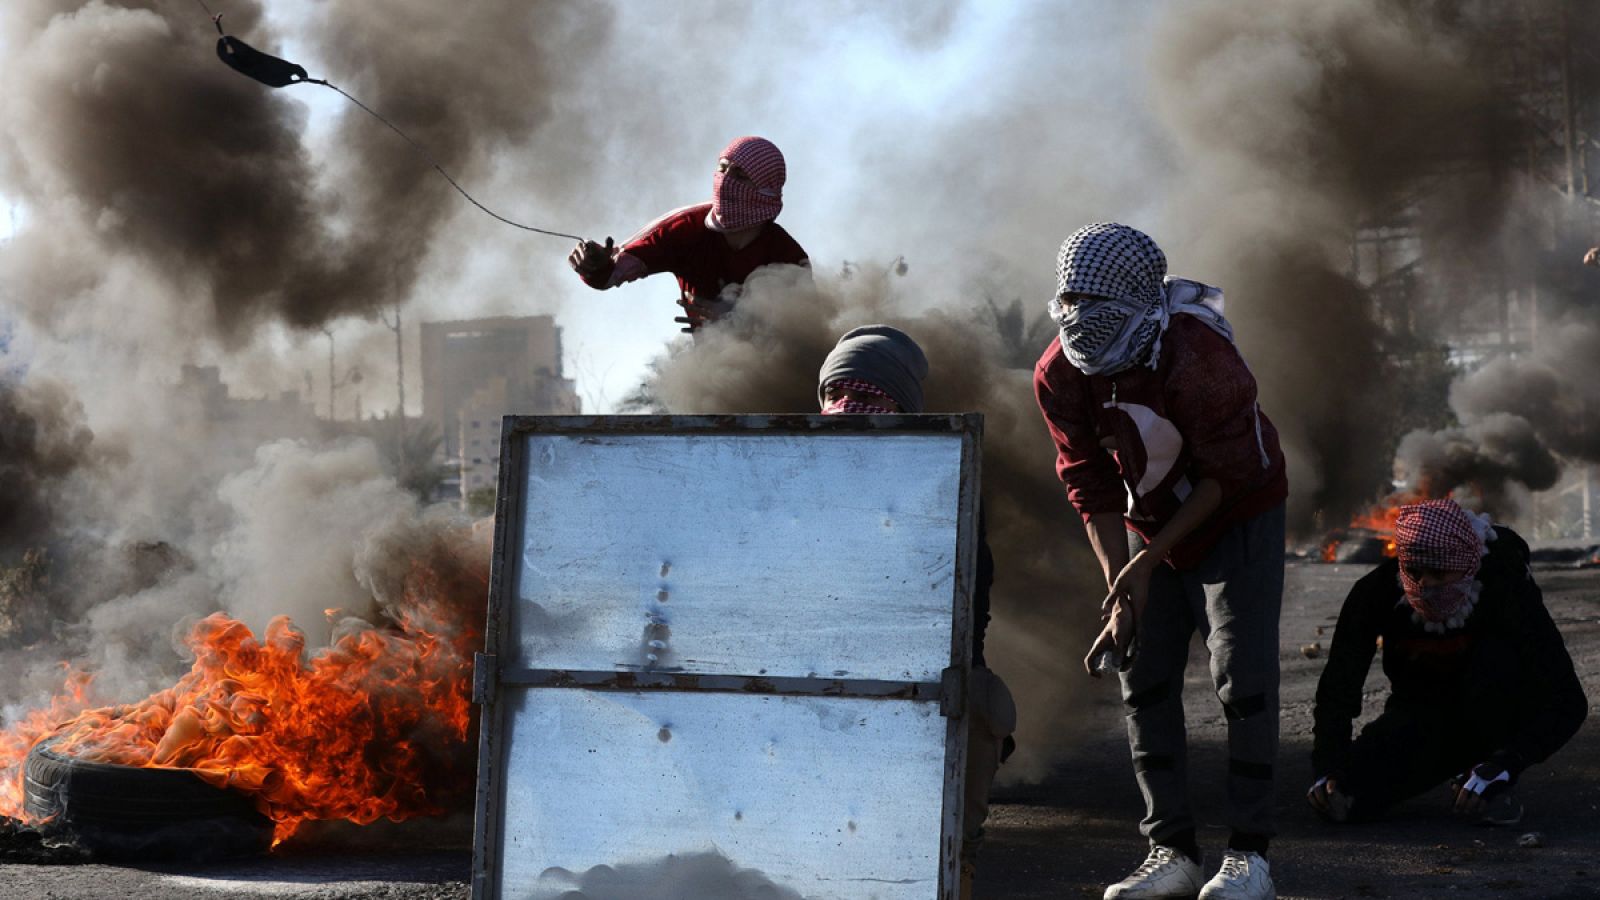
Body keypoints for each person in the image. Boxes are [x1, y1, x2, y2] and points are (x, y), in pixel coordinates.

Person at [1033, 223, 1287, 900]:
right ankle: (1169, 850)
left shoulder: (1196, 356)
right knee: (1141, 671)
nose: (1083, 316)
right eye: (1071, 299)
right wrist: (1121, 589)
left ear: (1141, 299)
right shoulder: (1060, 371)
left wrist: (1146, 567)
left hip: (1236, 512)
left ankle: (1250, 855)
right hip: (1150, 523)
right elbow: (1087, 479)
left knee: (1242, 676)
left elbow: (1223, 477)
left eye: (1099, 300)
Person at [817, 325, 1016, 900]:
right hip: (818, 683)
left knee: (982, 704)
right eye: (842, 399)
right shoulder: (793, 475)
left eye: (869, 402)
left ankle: (959, 858)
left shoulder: (944, 484)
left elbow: (964, 622)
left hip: (920, 680)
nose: (853, 417)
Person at [1308, 498, 1587, 826]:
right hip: (1420, 713)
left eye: (1439, 572)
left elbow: (1566, 699)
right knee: (1345, 798)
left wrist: (1509, 761)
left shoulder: (1504, 584)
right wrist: (1329, 767)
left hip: (1497, 710)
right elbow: (1339, 688)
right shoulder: (1375, 592)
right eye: (1414, 571)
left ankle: (1485, 776)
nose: (1424, 584)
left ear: (1468, 563)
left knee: (1496, 669)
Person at [568, 136, 810, 333]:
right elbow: (610, 274)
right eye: (722, 169)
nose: (725, 181)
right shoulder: (682, 229)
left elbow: (805, 332)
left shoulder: (787, 255)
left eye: (739, 175)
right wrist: (593, 265)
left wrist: (739, 320)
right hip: (706, 375)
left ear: (765, 188)